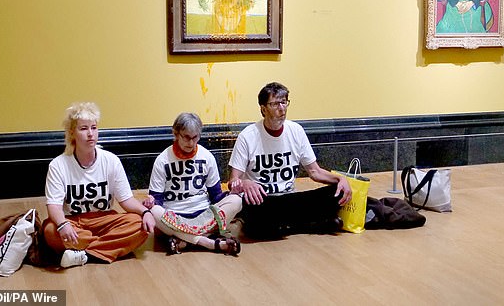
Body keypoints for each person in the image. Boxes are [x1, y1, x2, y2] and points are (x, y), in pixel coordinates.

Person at [228, 82, 352, 239]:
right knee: (256, 211)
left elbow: (315, 171)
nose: (282, 108)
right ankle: (310, 224)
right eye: (275, 104)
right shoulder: (248, 136)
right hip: (264, 202)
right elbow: (233, 181)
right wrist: (245, 183)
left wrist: (340, 179)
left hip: (289, 199)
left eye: (284, 102)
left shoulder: (296, 131)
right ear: (263, 109)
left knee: (334, 192)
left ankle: (286, 226)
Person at [43, 102, 155, 268]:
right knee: (50, 231)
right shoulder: (58, 165)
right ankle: (108, 247)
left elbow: (126, 200)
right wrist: (63, 224)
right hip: (75, 222)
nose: (90, 134)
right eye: (83, 129)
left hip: (105, 219)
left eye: (94, 128)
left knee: (139, 225)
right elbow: (54, 207)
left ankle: (83, 254)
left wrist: (145, 212)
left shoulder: (111, 161)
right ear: (72, 133)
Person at [143, 112, 242, 255]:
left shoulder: (207, 156)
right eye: (186, 137)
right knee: (154, 211)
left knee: (237, 200)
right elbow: (157, 199)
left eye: (195, 137)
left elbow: (215, 196)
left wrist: (231, 194)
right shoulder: (162, 160)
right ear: (176, 134)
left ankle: (183, 240)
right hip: (175, 216)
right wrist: (151, 201)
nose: (191, 143)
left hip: (204, 214)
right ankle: (208, 242)